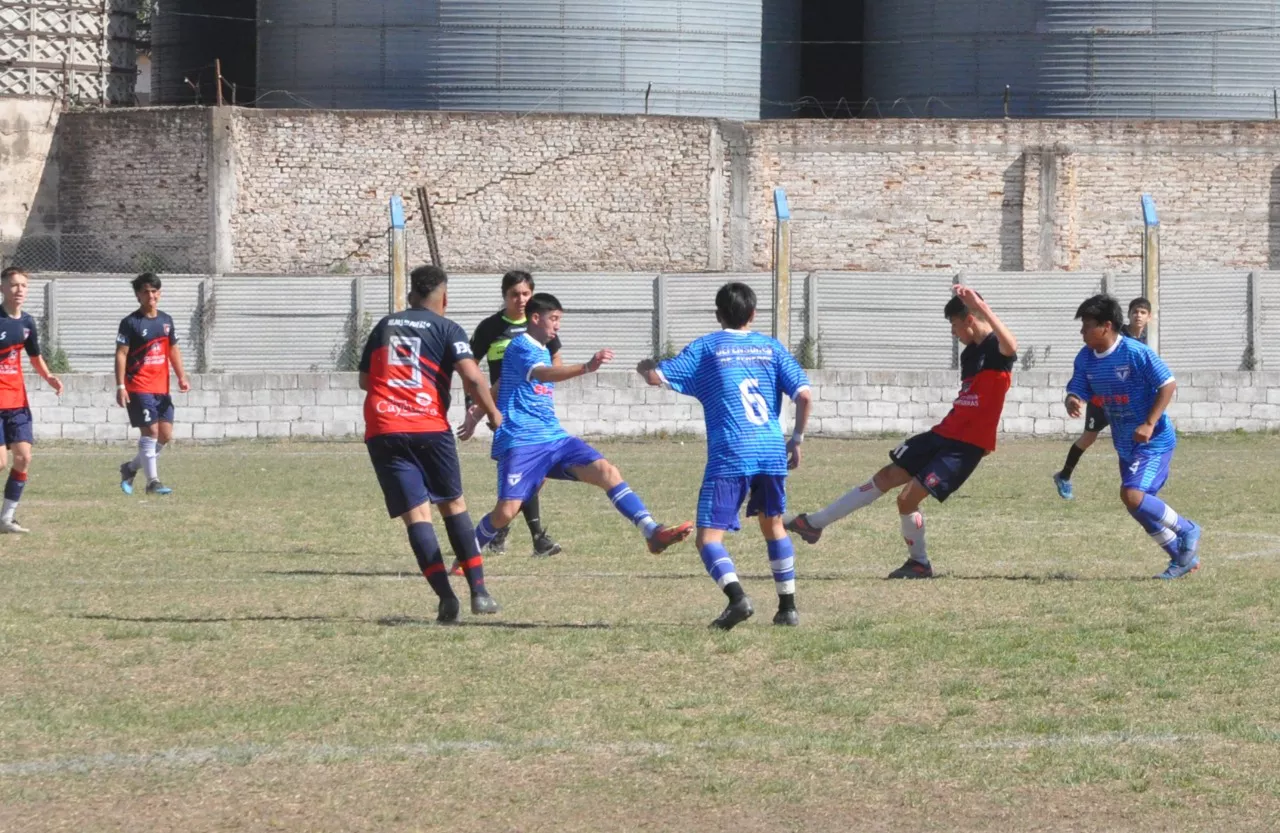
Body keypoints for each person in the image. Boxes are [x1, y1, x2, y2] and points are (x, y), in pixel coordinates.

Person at [785, 285, 1017, 578]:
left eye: (955, 326)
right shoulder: (969, 356)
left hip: (966, 446)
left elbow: (1012, 345)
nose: (953, 334)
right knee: (885, 476)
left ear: (970, 320)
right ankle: (814, 523)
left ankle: (919, 563)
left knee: (907, 499)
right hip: (944, 432)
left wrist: (980, 306)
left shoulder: (997, 349)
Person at [461, 292, 693, 563]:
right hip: (522, 440)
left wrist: (477, 413)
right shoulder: (521, 345)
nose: (558, 325)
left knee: (606, 471)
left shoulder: (540, 349)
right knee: (506, 512)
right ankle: (467, 554)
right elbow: (543, 374)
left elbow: (504, 384)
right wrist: (586, 367)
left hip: (554, 438)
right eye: (554, 319)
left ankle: (652, 531)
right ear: (536, 318)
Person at [637, 282, 812, 630]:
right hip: (770, 449)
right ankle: (788, 607)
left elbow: (657, 377)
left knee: (708, 538)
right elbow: (804, 395)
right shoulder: (771, 347)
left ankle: (737, 600)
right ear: (753, 314)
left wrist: (645, 366)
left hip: (732, 452)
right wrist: (796, 439)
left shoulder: (708, 347)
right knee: (774, 526)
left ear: (718, 315)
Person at [360, 264, 503, 622]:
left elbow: (365, 380)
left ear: (411, 295)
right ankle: (480, 591)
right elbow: (472, 377)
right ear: (445, 298)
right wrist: (493, 416)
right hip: (428, 426)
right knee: (453, 506)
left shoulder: (384, 326)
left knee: (416, 516)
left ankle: (445, 598)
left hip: (384, 428)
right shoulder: (448, 327)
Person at [1064, 294, 1200, 580]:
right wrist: (1073, 399)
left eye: (1087, 326)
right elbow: (1078, 386)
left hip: (1154, 441)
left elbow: (1167, 384)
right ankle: (1181, 558)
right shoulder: (1086, 358)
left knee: (1132, 494)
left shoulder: (1135, 352)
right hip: (1125, 443)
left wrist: (1150, 423)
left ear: (1106, 326)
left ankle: (1188, 530)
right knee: (1134, 503)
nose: (1082, 332)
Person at [460, 270, 563, 558]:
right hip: (505, 411)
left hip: (536, 410)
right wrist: (475, 401)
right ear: (504, 296)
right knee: (527, 471)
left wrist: (547, 387)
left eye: (526, 294)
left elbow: (556, 358)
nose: (521, 299)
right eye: (514, 294)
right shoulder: (491, 328)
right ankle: (537, 538)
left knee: (533, 475)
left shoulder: (541, 324)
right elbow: (469, 364)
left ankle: (501, 527)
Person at [1053, 296, 1153, 499]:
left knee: (1136, 437)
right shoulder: (1115, 338)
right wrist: (1074, 397)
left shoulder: (1143, 343)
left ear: (1149, 317)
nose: (1138, 316)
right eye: (1135, 312)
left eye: (1143, 312)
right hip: (1103, 402)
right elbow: (1086, 373)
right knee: (1088, 438)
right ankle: (1064, 475)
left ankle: (1138, 487)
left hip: (1128, 405)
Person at [0, 267, 63, 533]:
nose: (19, 290)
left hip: (17, 402)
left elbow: (34, 355)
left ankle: (6, 519)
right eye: (14, 285)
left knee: (24, 458)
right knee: (0, 462)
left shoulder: (27, 323)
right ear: (2, 288)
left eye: (23, 285)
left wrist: (48, 376)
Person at [116, 273, 191, 496]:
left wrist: (181, 376)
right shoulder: (130, 323)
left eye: (155, 291)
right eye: (146, 291)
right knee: (150, 433)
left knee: (165, 435)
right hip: (138, 386)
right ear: (138, 295)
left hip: (162, 388)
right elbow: (121, 354)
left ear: (160, 293)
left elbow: (173, 349)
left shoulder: (166, 320)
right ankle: (153, 482)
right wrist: (121, 386)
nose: (151, 295)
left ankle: (129, 468)